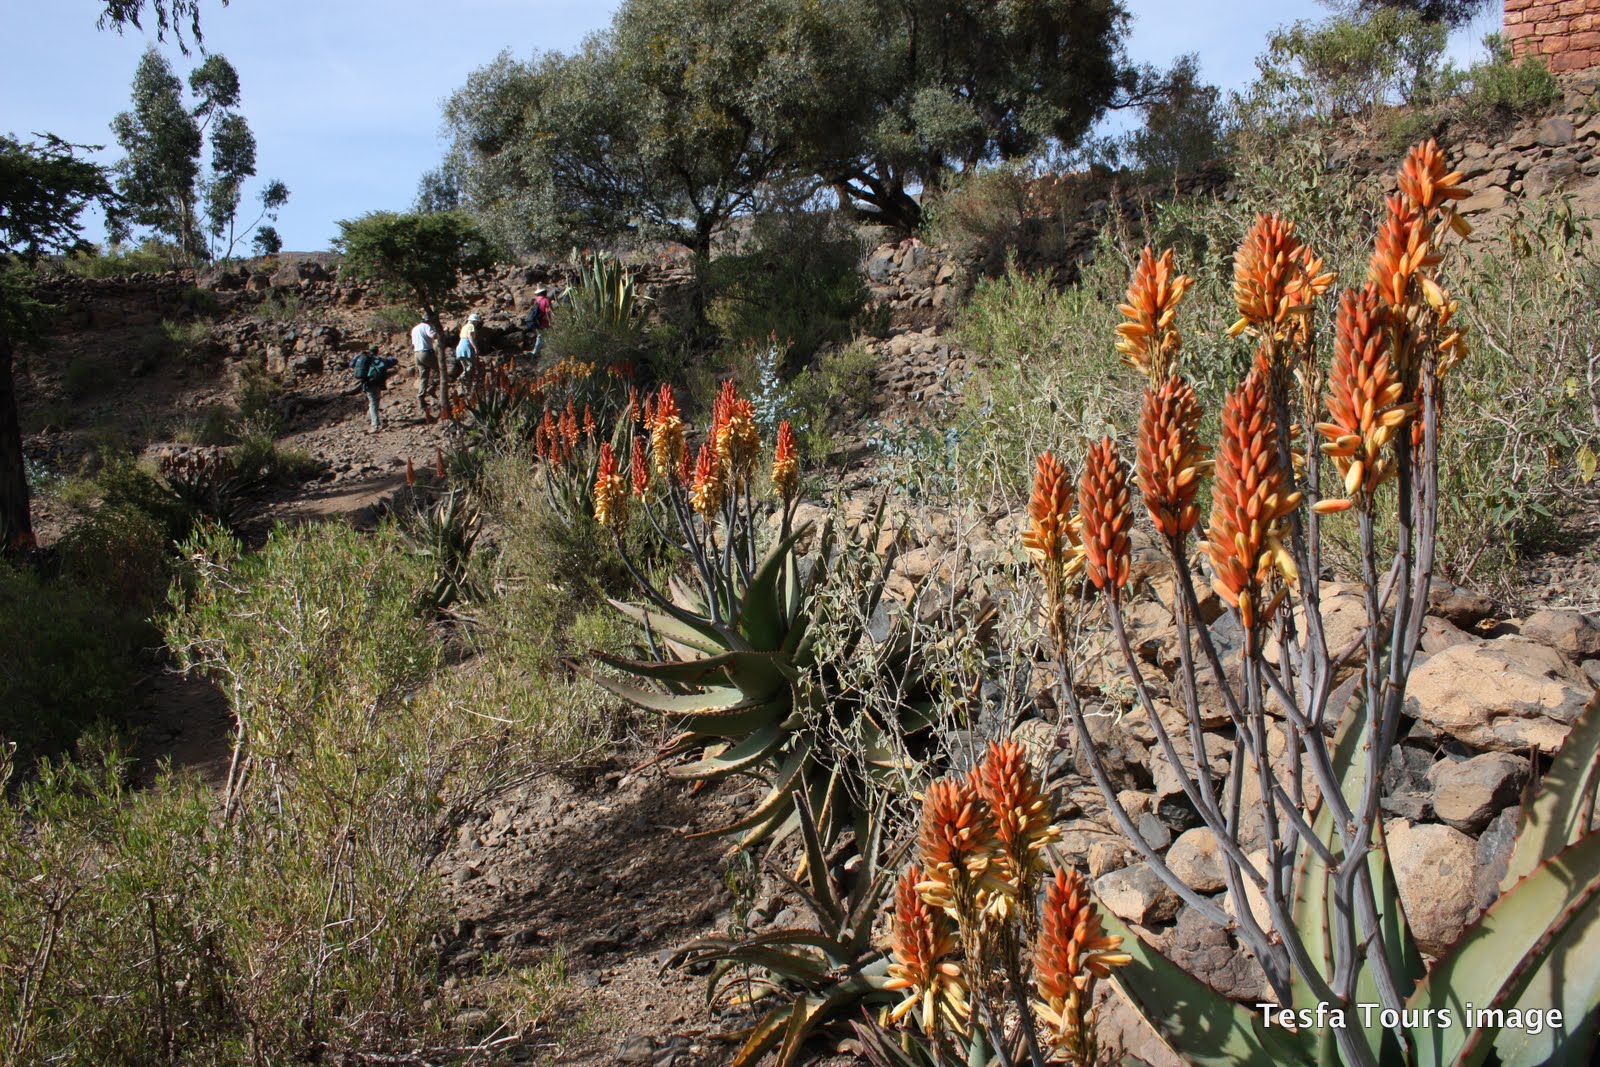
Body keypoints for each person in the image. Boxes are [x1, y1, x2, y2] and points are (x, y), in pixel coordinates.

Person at [350, 344, 399, 432]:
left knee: (373, 403)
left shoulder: (363, 359)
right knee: (374, 402)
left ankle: (375, 424)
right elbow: (393, 361)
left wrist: (358, 356)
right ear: (377, 351)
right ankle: (375, 423)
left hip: (368, 383)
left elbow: (352, 365)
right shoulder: (380, 360)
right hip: (378, 383)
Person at [410, 315, 440, 419]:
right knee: (440, 370)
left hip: (417, 354)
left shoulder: (415, 329)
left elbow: (413, 344)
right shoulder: (427, 326)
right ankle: (433, 387)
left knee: (423, 376)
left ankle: (421, 397)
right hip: (426, 352)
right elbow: (433, 336)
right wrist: (439, 332)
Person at [524, 287, 553, 358]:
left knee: (540, 335)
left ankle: (538, 351)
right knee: (544, 335)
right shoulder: (546, 300)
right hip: (544, 321)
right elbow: (547, 312)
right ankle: (537, 351)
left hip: (537, 321)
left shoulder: (537, 300)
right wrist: (550, 321)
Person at [454, 311, 482, 383]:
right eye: (476, 322)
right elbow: (470, 337)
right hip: (466, 346)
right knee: (471, 366)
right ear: (474, 321)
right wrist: (475, 347)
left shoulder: (464, 327)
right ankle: (461, 377)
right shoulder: (471, 326)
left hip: (459, 347)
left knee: (466, 367)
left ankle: (465, 382)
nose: (476, 324)